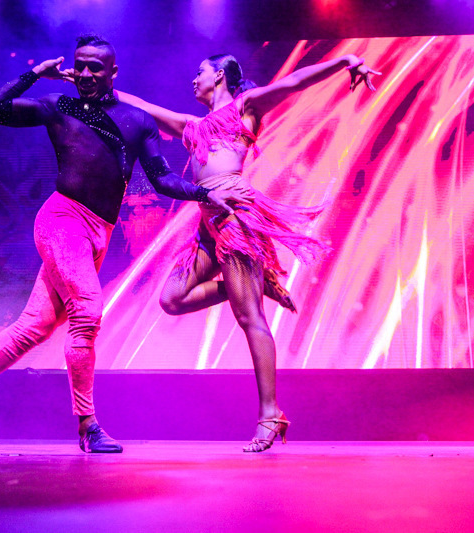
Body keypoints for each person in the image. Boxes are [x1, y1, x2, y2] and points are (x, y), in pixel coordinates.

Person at [0, 35, 250, 454]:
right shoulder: (58, 106)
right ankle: (88, 425)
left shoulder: (137, 121)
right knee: (88, 312)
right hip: (62, 223)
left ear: (113, 73)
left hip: (99, 234)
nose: (86, 73)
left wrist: (206, 194)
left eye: (96, 67)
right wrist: (35, 74)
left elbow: (163, 179)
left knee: (33, 327)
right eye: (80, 65)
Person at [116, 52, 380, 452]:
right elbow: (145, 107)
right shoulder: (192, 126)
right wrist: (98, 89)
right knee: (171, 299)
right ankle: (254, 285)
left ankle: (271, 414)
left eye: (200, 72)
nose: (193, 79)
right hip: (207, 225)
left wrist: (345, 59)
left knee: (249, 317)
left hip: (236, 217)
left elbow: (295, 82)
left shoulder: (246, 107)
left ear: (219, 76)